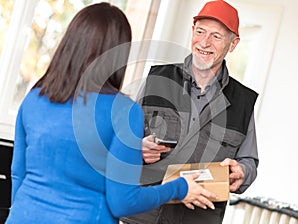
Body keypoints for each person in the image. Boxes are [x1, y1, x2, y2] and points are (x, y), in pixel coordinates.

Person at [5, 3, 218, 224]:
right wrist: (178, 188)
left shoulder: (34, 99)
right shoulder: (123, 112)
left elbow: (18, 173)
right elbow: (123, 202)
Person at [121, 0, 259, 224]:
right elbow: (122, 140)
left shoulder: (243, 102)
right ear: (192, 32)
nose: (204, 42)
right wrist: (138, 148)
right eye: (200, 31)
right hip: (141, 216)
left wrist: (242, 171)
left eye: (216, 36)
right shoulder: (157, 80)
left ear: (233, 44)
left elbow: (249, 161)